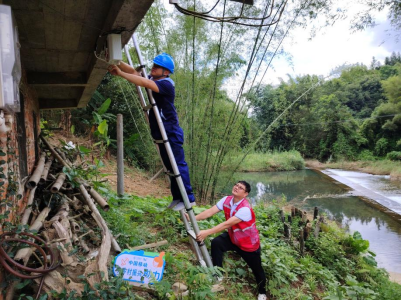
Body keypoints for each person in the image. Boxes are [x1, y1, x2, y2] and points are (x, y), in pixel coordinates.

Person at [108, 54, 195, 211]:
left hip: (170, 130)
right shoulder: (156, 79)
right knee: (169, 167)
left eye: (157, 66)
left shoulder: (167, 84)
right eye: (154, 65)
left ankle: (189, 198)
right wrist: (118, 62)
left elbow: (143, 82)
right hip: (161, 129)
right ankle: (177, 197)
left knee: (178, 164)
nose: (153, 67)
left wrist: (120, 74)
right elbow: (135, 73)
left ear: (166, 72)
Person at [194, 181, 267, 300]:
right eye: (236, 185)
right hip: (233, 238)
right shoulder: (226, 200)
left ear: (245, 194)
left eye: (241, 188)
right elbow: (209, 212)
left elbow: (226, 224)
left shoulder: (245, 209)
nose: (236, 188)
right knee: (217, 243)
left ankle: (262, 293)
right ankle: (218, 275)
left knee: (257, 269)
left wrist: (207, 232)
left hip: (248, 244)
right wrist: (193, 218)